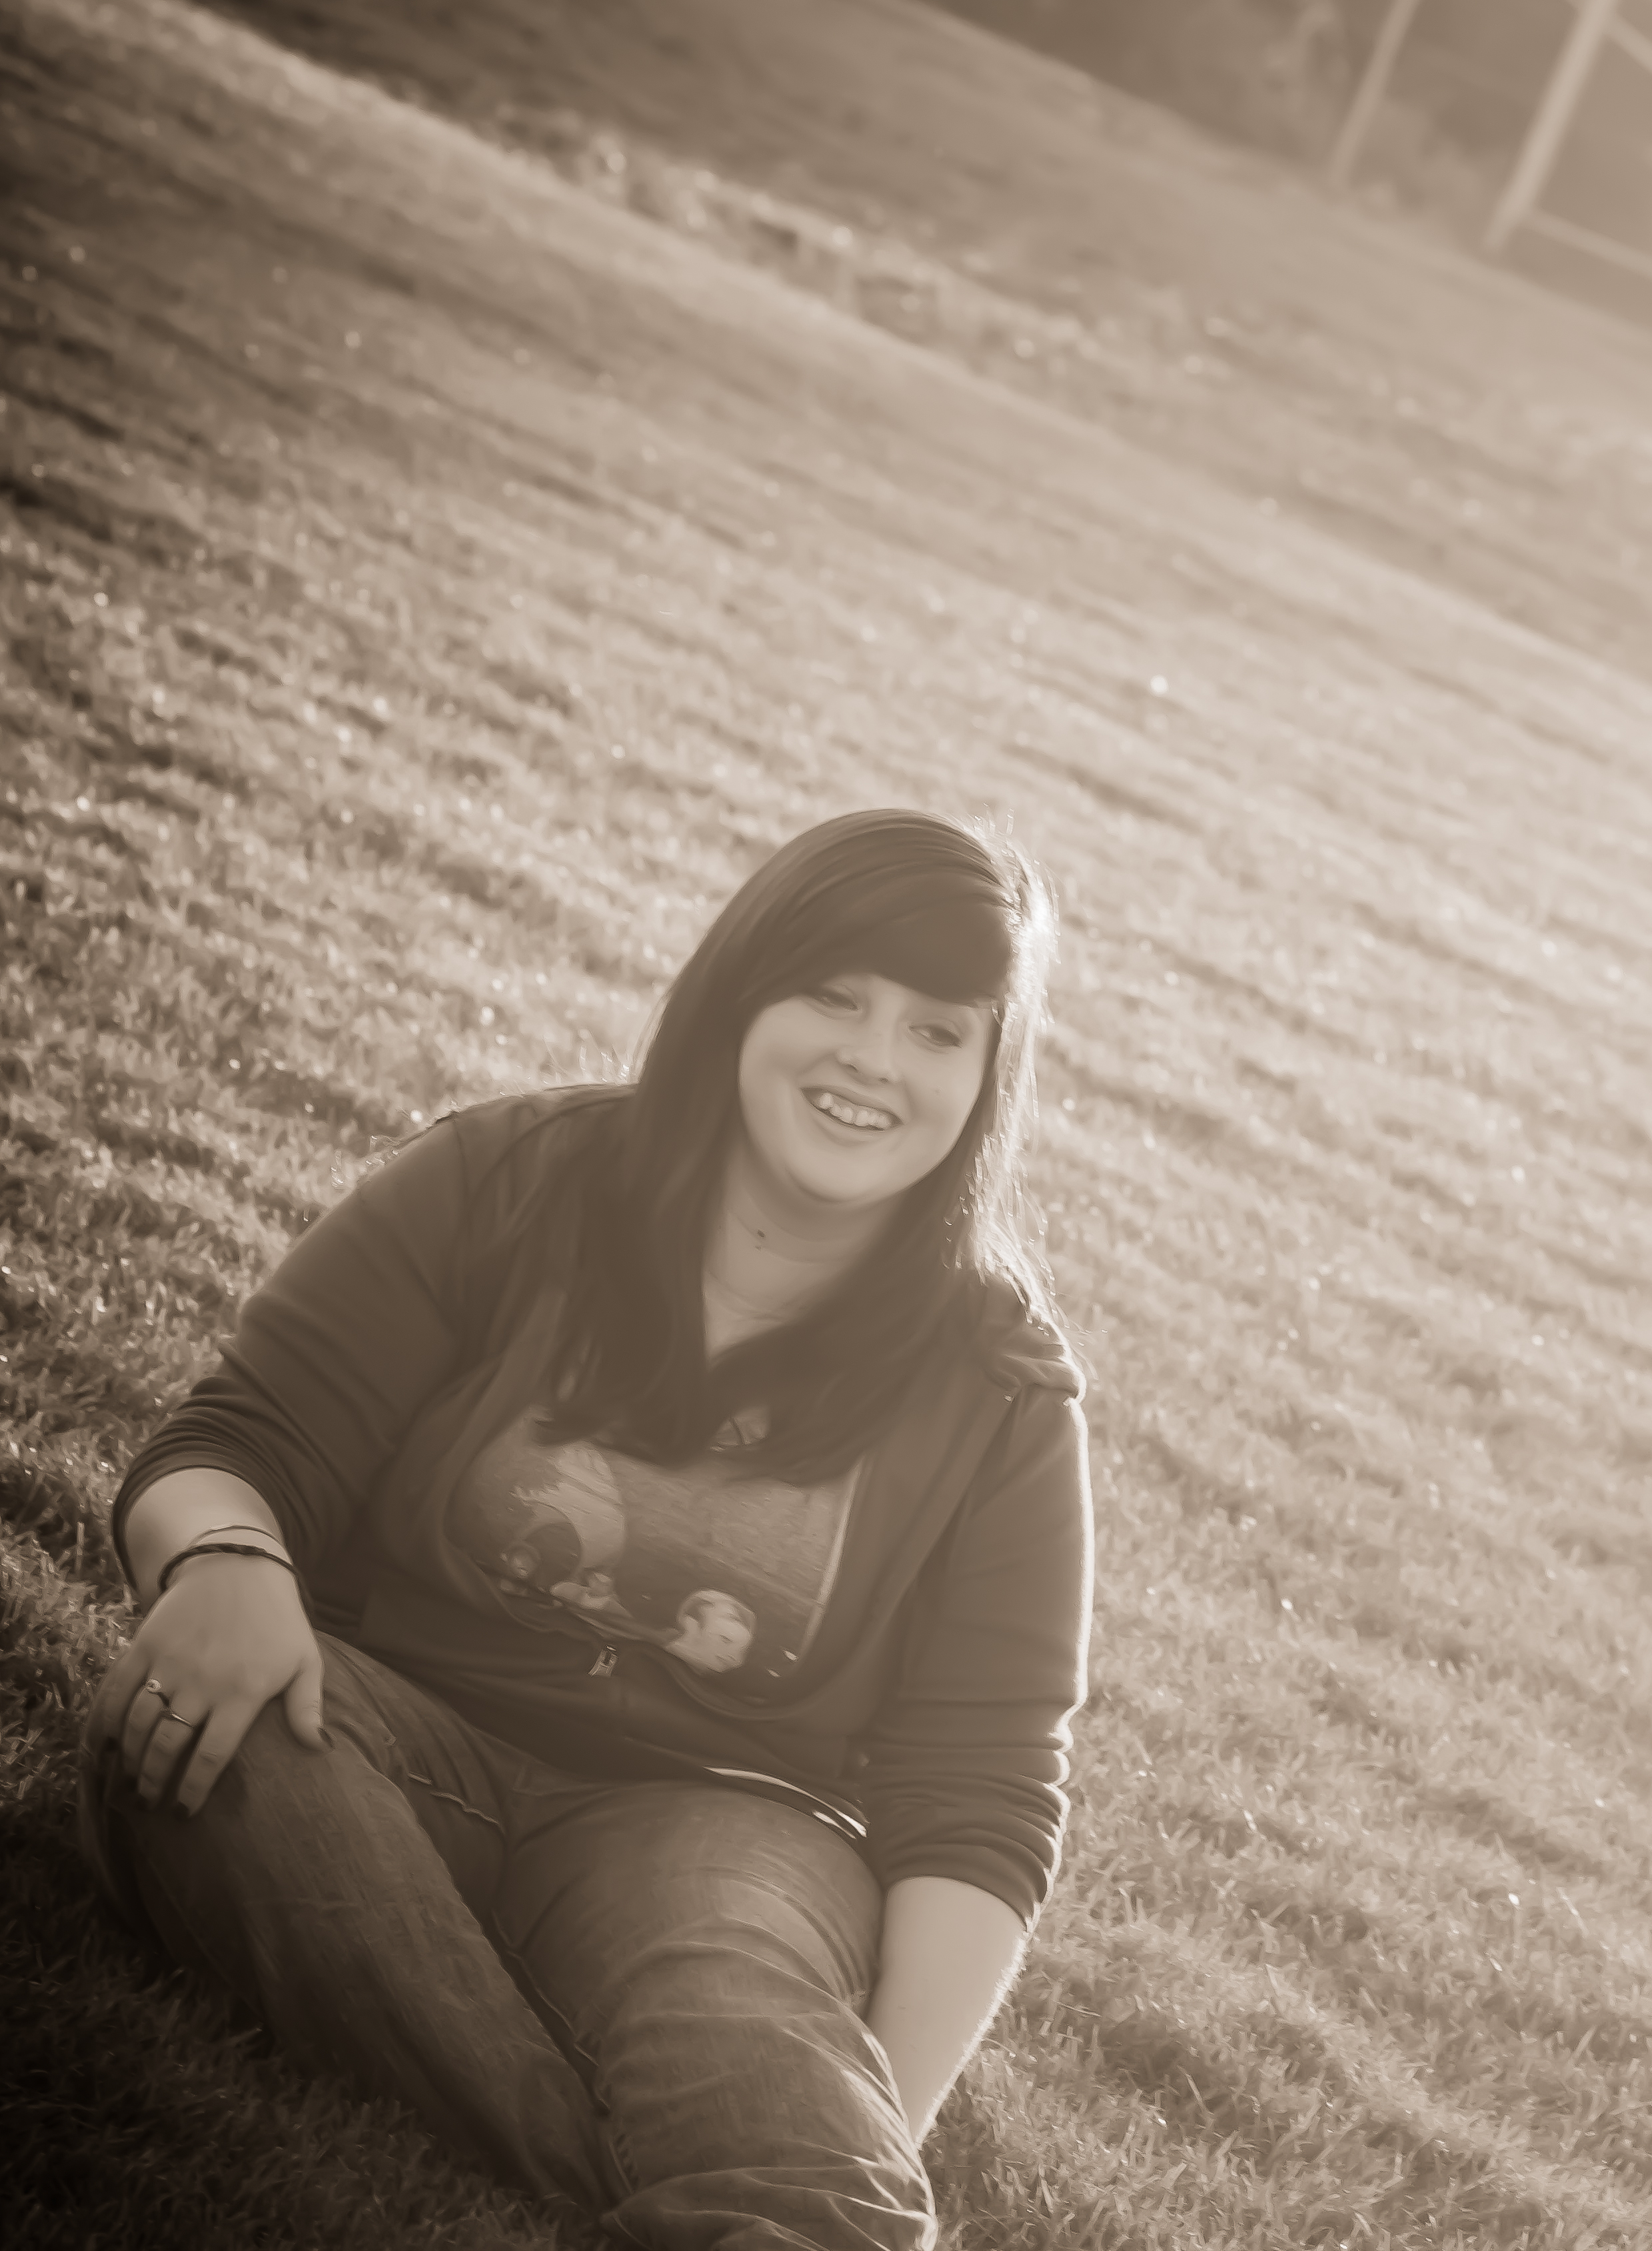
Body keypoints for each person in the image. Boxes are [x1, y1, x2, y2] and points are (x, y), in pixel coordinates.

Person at [81, 809, 1092, 2250]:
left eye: (940, 1031)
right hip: (371, 1730)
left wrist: (874, 2105)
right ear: (743, 989)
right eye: (836, 996)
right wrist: (226, 1559)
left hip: (719, 1839)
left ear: (989, 1078)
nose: (877, 1060)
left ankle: (789, 2188)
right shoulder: (508, 1175)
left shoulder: (999, 1391)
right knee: (197, 1745)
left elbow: (982, 1795)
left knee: (773, 2088)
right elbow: (235, 1445)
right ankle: (654, 2176)